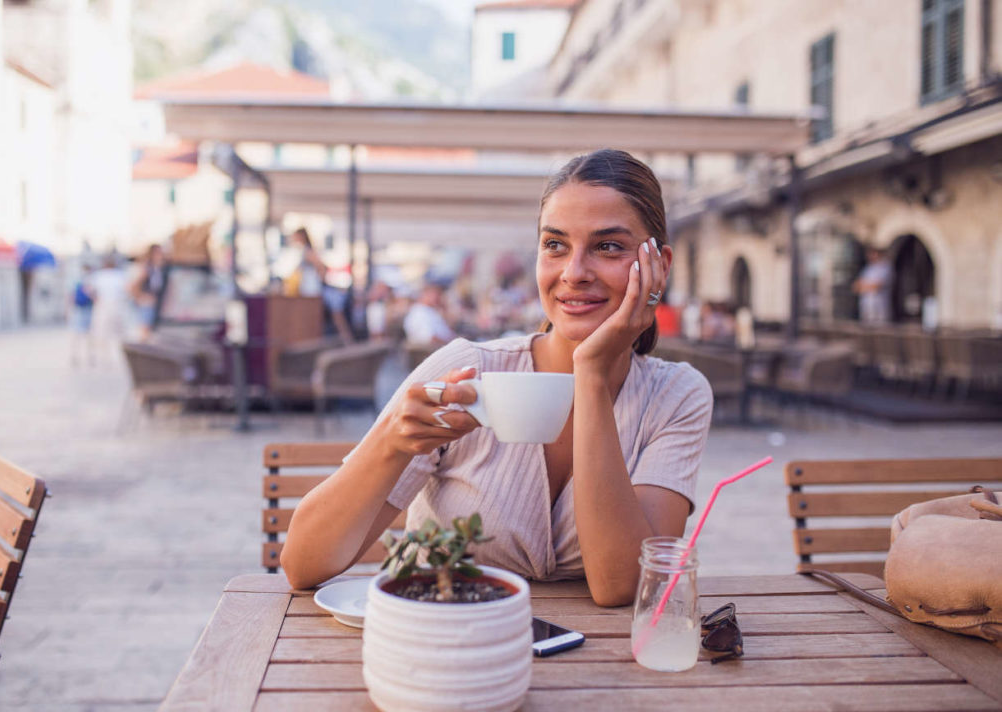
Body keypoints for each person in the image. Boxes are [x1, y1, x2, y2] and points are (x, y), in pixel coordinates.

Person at [280, 149, 713, 607]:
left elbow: (620, 584)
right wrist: (391, 441)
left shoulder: (676, 396)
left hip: (595, 670)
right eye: (555, 245)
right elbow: (303, 564)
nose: (574, 272)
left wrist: (589, 371)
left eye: (607, 246)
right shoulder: (468, 369)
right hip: (438, 651)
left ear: (659, 266)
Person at [128, 244, 166, 340]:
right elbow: (132, 286)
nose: (161, 255)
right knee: (144, 330)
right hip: (147, 304)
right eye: (158, 252)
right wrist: (141, 297)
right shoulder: (147, 268)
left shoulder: (160, 269)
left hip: (157, 304)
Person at [854, 248, 892, 324]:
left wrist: (864, 286)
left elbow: (877, 286)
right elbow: (856, 287)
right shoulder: (868, 268)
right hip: (866, 306)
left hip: (879, 308)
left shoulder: (885, 267)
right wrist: (869, 287)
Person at [69, 264, 95, 367]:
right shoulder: (89, 281)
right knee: (87, 334)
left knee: (78, 334)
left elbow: (71, 296)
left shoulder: (77, 281)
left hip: (80, 310)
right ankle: (89, 355)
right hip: (86, 309)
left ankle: (76, 355)